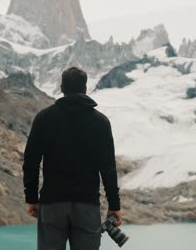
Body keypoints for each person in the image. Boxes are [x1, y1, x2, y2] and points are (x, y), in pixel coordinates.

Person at [23, 67, 122, 250]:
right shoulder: (100, 122)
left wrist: (31, 198)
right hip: (87, 205)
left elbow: (31, 161)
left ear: (62, 88)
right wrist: (114, 205)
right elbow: (108, 168)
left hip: (52, 203)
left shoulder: (44, 118)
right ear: (85, 89)